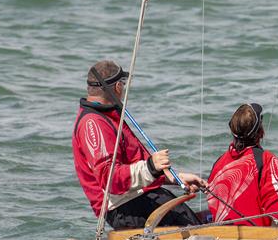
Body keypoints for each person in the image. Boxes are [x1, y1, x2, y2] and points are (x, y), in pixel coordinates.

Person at [72, 60, 206, 230]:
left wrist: (173, 178)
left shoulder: (108, 116)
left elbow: (135, 168)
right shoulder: (93, 123)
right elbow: (110, 179)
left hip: (139, 200)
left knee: (197, 225)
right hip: (127, 208)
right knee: (198, 232)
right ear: (118, 87)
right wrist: (151, 166)